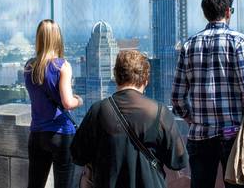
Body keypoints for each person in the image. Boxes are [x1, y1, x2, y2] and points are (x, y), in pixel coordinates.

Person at [171, 0, 244, 188]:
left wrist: (191, 118)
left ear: (205, 13)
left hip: (200, 135)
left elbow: (176, 97)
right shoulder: (238, 41)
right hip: (234, 135)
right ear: (228, 12)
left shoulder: (189, 45)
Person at [71, 49, 187, 188]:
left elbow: (77, 155)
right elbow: (179, 161)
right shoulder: (159, 113)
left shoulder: (98, 110)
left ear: (116, 76)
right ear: (145, 79)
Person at [24, 19, 82, 188]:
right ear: (57, 38)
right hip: (61, 133)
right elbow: (67, 102)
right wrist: (79, 100)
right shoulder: (62, 66)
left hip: (37, 134)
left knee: (35, 184)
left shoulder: (29, 66)